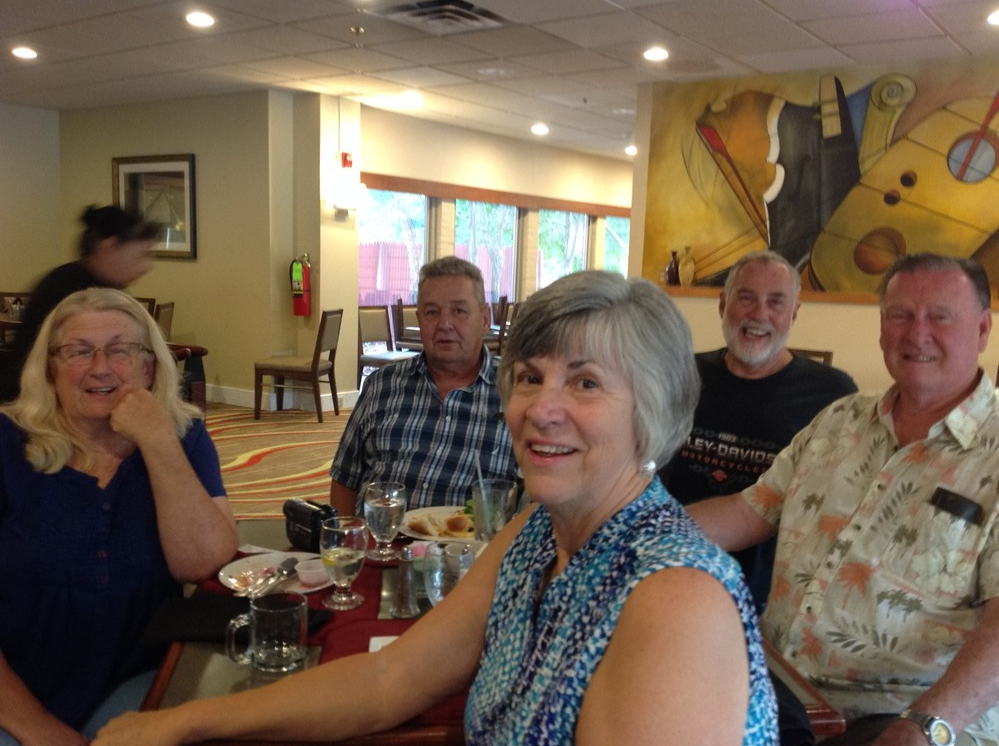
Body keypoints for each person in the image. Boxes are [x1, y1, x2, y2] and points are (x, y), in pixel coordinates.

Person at [93, 270, 778, 746]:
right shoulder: (535, 534)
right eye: (530, 376)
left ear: (652, 413)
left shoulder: (676, 599)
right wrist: (186, 721)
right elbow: (389, 678)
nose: (540, 409)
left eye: (586, 383)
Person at [689, 253, 999, 745]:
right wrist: (629, 531)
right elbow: (747, 511)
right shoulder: (839, 420)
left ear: (982, 328)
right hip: (781, 695)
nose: (916, 334)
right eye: (900, 315)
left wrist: (925, 726)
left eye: (939, 317)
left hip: (906, 718)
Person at [0, 288, 238, 745]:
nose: (101, 367)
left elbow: (203, 562)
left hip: (132, 678)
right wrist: (40, 729)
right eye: (78, 351)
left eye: (121, 350)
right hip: (15, 689)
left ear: (150, 367)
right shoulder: (8, 443)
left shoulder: (183, 436)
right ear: (50, 369)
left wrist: (157, 440)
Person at [661, 250, 857, 613]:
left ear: (793, 313)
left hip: (765, 599)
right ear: (723, 304)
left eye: (776, 302)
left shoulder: (832, 394)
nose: (759, 314)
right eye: (746, 297)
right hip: (669, 570)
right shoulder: (681, 375)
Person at [330, 256, 517, 516]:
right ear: (419, 319)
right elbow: (345, 479)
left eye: (459, 311)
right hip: (380, 538)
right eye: (432, 312)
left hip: (474, 542)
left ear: (485, 319)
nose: (445, 324)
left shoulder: (517, 392)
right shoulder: (381, 386)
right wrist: (349, 535)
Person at [1, 204, 159, 402]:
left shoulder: (85, 283)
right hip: (36, 401)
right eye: (141, 255)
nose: (146, 266)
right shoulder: (72, 295)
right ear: (109, 247)